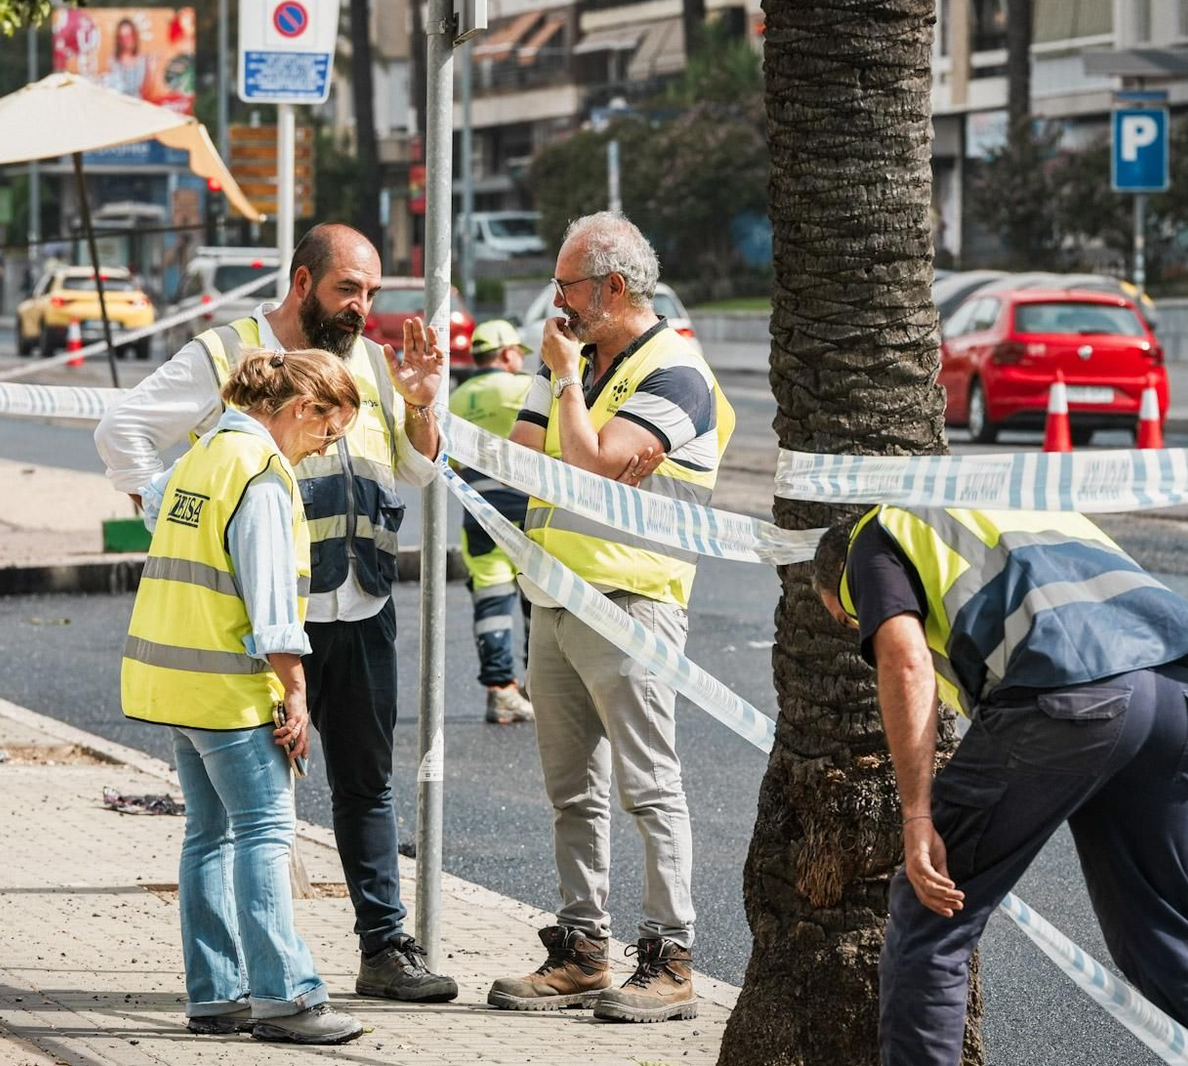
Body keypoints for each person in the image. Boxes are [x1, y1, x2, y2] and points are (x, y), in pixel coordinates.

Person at [96, 223, 458, 1004]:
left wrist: (423, 404)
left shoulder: (368, 362)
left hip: (357, 603)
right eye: (347, 290)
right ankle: (261, 984)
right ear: (302, 284)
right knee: (247, 819)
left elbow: (418, 471)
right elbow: (121, 429)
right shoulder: (228, 353)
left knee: (366, 784)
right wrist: (170, 509)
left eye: (372, 292)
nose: (363, 307)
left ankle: (384, 948)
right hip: (261, 626)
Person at [808, 505, 1188, 1066]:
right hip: (1182, 695)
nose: (858, 626)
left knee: (931, 913)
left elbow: (904, 663)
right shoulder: (1015, 514)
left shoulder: (873, 537)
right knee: (1162, 940)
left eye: (847, 618)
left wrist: (918, 817)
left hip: (1064, 696)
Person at [487, 212, 732, 1023]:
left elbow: (589, 467)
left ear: (612, 287)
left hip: (630, 603)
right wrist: (558, 387)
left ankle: (669, 958)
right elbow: (523, 461)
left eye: (566, 285)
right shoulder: (576, 361)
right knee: (573, 793)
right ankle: (584, 951)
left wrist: (563, 390)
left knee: (648, 787)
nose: (554, 300)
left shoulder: (678, 372)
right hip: (555, 599)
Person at [122, 347, 366, 1044]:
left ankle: (216, 995)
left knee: (208, 836)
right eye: (327, 431)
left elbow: (153, 510)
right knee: (263, 832)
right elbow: (270, 606)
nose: (324, 449)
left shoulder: (203, 454)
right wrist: (295, 691)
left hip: (175, 683)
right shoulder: (261, 473)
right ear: (298, 409)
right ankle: (286, 998)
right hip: (230, 687)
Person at [448, 319, 537, 725]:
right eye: (518, 352)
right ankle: (541, 688)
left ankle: (501, 692)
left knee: (491, 600)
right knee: (541, 599)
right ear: (505, 354)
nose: (521, 360)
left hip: (479, 511)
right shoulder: (523, 388)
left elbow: (447, 459)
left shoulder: (457, 397)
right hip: (529, 508)